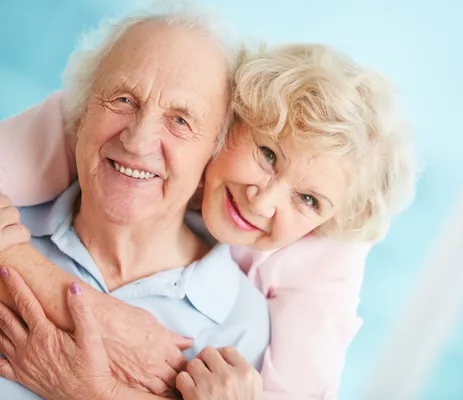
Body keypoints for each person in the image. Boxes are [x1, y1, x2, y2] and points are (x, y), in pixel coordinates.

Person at [0, 3, 415, 400]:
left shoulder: (253, 331)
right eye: (268, 155)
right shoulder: (24, 195)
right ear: (230, 130)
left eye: (308, 199)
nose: (263, 202)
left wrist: (94, 391)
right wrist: (92, 312)